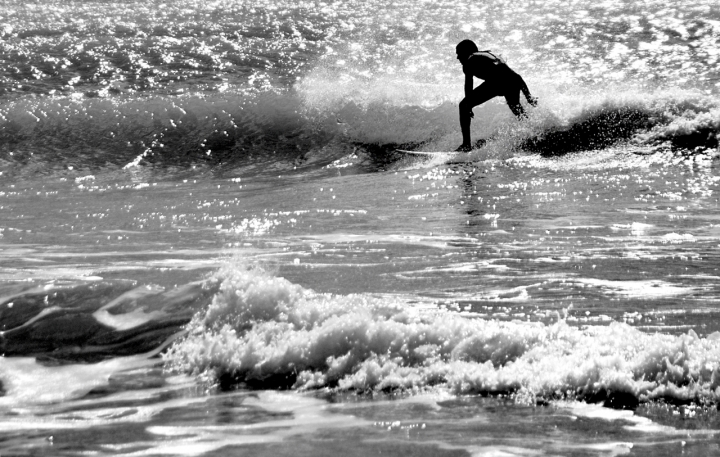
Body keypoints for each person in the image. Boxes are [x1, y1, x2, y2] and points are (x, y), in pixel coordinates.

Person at [455, 39, 537, 152]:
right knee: (518, 112)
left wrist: (468, 106)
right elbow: (516, 76)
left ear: (467, 51)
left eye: (459, 53)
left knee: (463, 106)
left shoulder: (469, 60)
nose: (458, 58)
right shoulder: (489, 55)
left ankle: (466, 145)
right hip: (513, 82)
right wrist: (528, 96)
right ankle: (535, 134)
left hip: (497, 82)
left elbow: (468, 85)